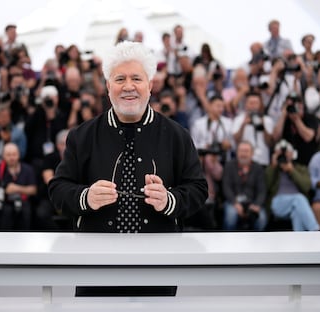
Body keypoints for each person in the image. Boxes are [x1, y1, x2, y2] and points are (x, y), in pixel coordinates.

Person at [49, 41, 208, 233]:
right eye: (120, 79)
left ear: (149, 85)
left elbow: (198, 189)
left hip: (159, 249)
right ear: (108, 86)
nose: (128, 86)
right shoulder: (82, 135)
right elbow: (58, 189)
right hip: (97, 249)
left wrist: (169, 200)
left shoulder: (177, 135)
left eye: (136, 79)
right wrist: (86, 197)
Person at [265, 140, 319, 231]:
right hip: (277, 203)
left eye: (287, 152)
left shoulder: (301, 168)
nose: (284, 155)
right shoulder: (272, 169)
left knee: (297, 212)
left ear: (292, 154)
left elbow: (307, 187)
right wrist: (273, 167)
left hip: (297, 204)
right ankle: (315, 230)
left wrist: (292, 171)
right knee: (298, 199)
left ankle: (299, 241)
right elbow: (266, 186)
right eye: (281, 153)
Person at [222, 141, 268, 231]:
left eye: (246, 151)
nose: (243, 154)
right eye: (241, 151)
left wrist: (257, 205)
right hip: (233, 202)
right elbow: (226, 187)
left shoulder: (258, 168)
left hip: (253, 202)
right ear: (237, 152)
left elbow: (262, 190)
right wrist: (235, 203)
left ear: (252, 153)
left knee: (262, 219)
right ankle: (228, 242)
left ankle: (257, 243)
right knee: (230, 217)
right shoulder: (229, 166)